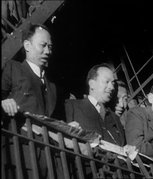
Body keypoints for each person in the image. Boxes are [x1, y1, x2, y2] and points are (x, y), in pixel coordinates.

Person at [1, 23, 62, 179]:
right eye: (43, 45)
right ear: (27, 45)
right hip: (21, 152)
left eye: (50, 46)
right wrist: (3, 103)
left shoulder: (53, 85)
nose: (48, 51)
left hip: (50, 157)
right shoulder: (13, 68)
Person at [65, 63, 126, 147]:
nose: (111, 87)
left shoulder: (115, 118)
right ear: (92, 84)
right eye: (107, 82)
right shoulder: (72, 106)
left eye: (112, 83)